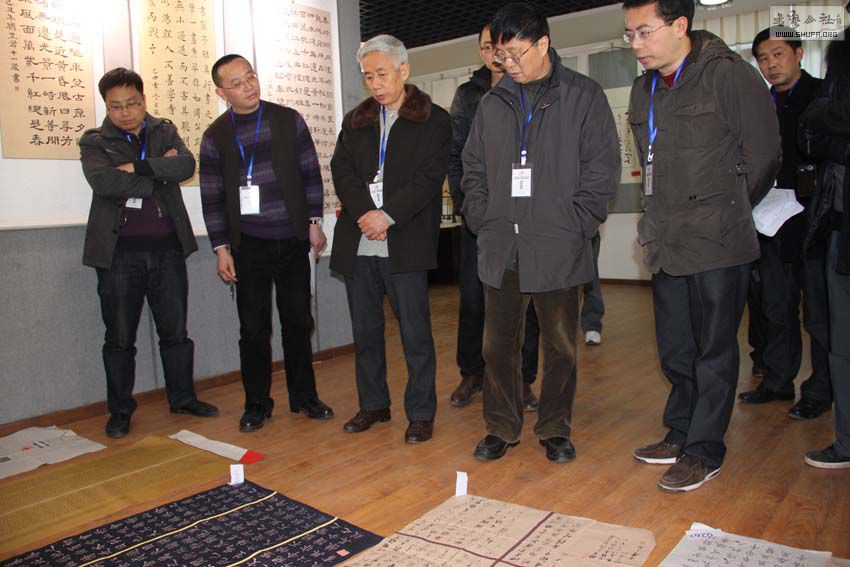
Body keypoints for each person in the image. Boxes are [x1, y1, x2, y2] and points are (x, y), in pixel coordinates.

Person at [624, 0, 780, 491]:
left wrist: (727, 208)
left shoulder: (727, 75)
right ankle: (681, 430)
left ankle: (704, 449)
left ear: (679, 26)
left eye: (644, 32)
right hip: (666, 238)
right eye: (629, 34)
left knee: (713, 349)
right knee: (676, 347)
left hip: (718, 240)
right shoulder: (644, 88)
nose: (636, 44)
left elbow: (764, 155)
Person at [462, 2, 620, 463]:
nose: (508, 64)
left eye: (516, 54)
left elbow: (602, 170)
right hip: (502, 244)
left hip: (559, 244)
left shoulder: (583, 96)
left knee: (561, 347)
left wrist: (577, 224)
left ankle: (554, 428)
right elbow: (472, 167)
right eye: (501, 56)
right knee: (498, 347)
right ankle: (501, 427)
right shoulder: (493, 103)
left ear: (544, 43)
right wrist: (482, 217)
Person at [80, 68, 218, 438]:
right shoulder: (95, 141)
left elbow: (185, 166)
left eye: (132, 103)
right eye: (116, 106)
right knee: (120, 338)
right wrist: (159, 173)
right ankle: (120, 410)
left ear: (144, 100)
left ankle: (183, 398)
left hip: (168, 251)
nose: (125, 112)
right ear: (106, 106)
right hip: (118, 255)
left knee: (176, 332)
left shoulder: (164, 131)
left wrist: (136, 167)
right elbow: (104, 182)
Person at [199, 54, 333, 432]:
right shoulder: (215, 136)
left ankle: (304, 397)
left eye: (251, 77)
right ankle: (257, 404)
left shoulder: (288, 120)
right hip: (248, 246)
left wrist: (314, 223)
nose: (248, 87)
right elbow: (212, 198)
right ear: (222, 93)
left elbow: (310, 174)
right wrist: (221, 249)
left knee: (298, 322)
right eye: (237, 84)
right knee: (253, 329)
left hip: (291, 240)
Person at [330, 35, 451, 444]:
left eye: (382, 74)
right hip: (360, 241)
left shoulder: (434, 120)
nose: (376, 84)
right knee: (366, 332)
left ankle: (421, 412)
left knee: (415, 334)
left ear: (404, 70)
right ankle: (374, 405)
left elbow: (429, 179)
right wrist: (367, 213)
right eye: (368, 76)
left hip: (405, 240)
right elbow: (342, 171)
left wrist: (387, 215)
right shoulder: (357, 120)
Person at [738, 28, 831, 421]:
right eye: (763, 58)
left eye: (778, 54)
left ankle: (821, 390)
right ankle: (777, 381)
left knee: (819, 313)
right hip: (770, 219)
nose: (771, 64)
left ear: (799, 53)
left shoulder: (823, 95)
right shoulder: (758, 104)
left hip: (815, 219)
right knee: (775, 306)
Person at [448, 22, 540, 411]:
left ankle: (524, 379)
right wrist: (471, 209)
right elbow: (456, 156)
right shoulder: (469, 95)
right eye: (487, 48)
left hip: (526, 217)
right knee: (473, 301)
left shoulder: (532, 88)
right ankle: (473, 373)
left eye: (499, 48)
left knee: (526, 302)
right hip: (480, 219)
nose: (494, 55)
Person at [799, 26, 850, 468]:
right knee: (840, 340)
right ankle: (847, 442)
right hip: (838, 221)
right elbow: (810, 129)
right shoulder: (842, 54)